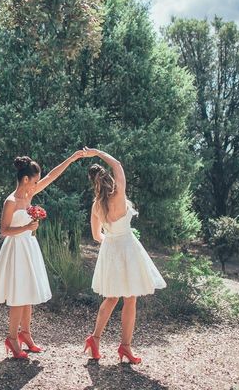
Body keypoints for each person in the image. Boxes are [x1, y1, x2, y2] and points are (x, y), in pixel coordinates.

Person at [0, 151, 82, 358]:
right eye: (34, 181)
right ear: (25, 179)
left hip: (29, 247)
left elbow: (51, 177)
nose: (37, 184)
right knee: (18, 295)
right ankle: (12, 339)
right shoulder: (11, 201)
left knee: (28, 294)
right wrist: (26, 227)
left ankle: (26, 335)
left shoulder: (29, 195)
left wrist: (72, 158)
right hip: (15, 249)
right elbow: (4, 230)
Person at [82, 147, 166, 364]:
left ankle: (95, 339)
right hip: (127, 248)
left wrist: (110, 239)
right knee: (130, 299)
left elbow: (95, 235)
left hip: (111, 249)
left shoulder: (96, 206)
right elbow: (117, 164)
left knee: (111, 298)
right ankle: (125, 347)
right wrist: (96, 152)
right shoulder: (119, 195)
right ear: (110, 179)